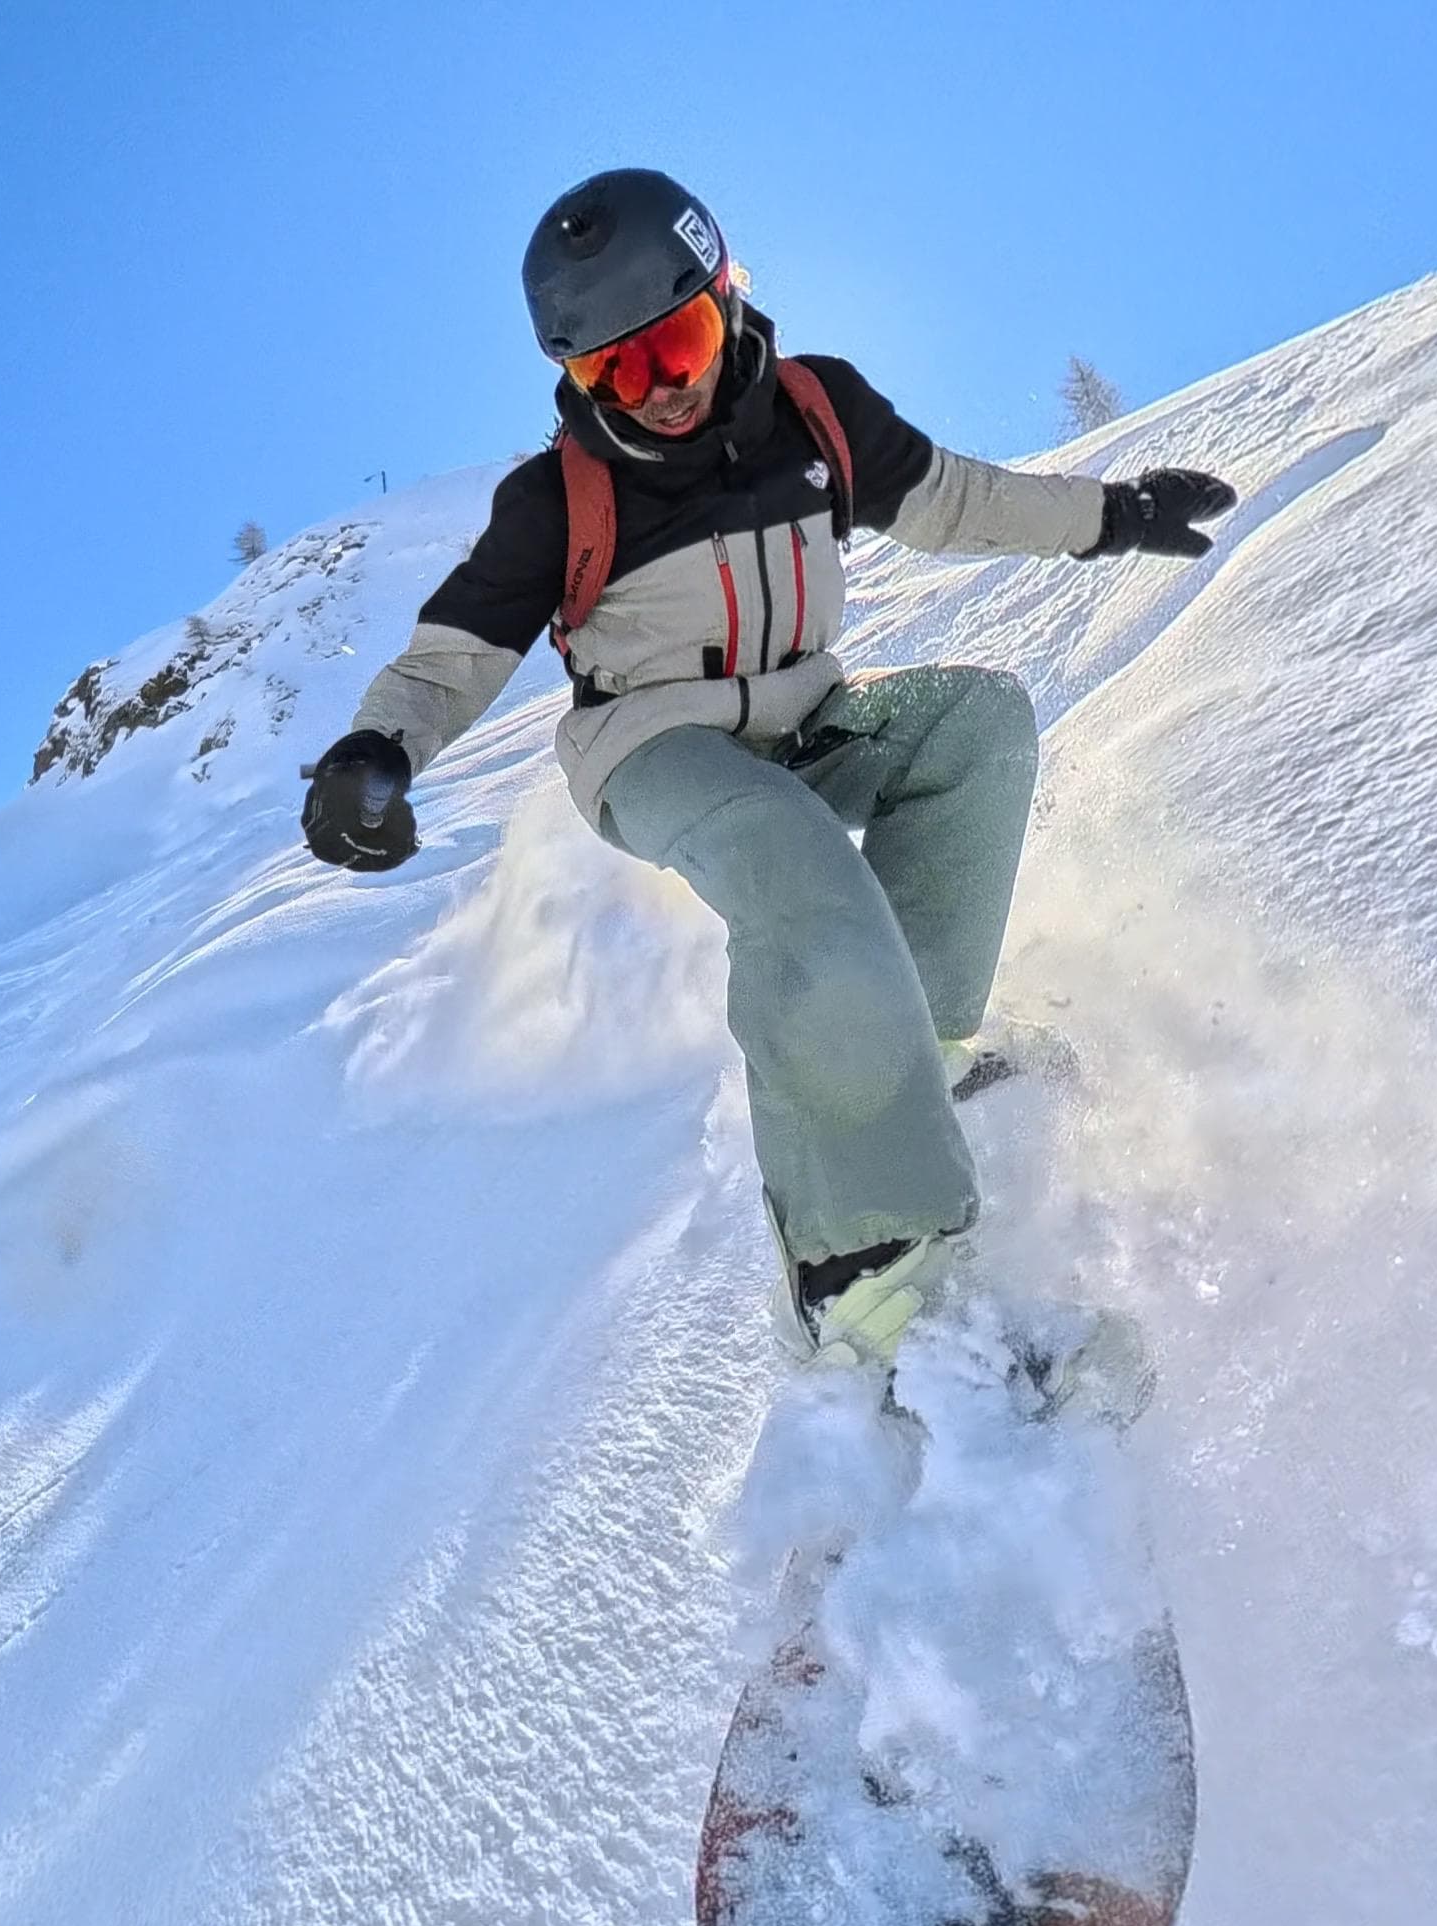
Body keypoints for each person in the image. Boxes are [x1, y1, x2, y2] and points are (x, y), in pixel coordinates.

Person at [297, 169, 1235, 1369]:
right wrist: (375, 751)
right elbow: (457, 653)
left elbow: (957, 499)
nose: (664, 390)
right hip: (652, 748)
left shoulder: (817, 414)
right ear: (577, 379)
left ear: (725, 294)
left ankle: (918, 1054)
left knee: (974, 726)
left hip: (806, 712)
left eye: (677, 341)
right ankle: (862, 1277)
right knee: (797, 875)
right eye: (615, 373)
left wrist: (1111, 513)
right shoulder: (560, 496)